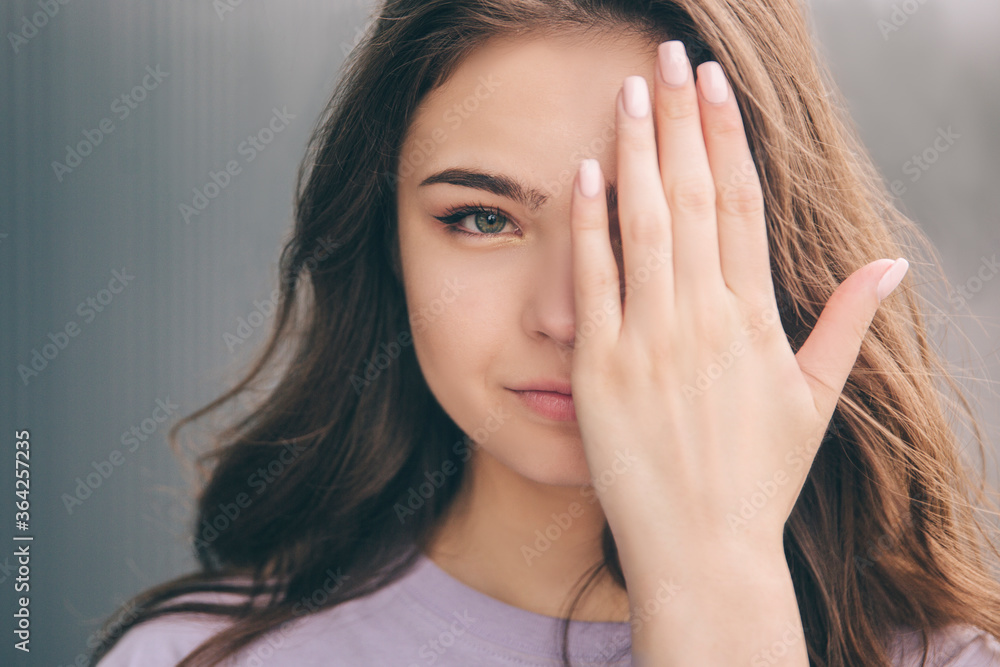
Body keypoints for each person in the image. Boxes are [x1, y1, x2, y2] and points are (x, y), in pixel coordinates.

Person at [92, 0, 1000, 665]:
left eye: (639, 225)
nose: (566, 317)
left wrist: (718, 579)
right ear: (384, 242)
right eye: (483, 218)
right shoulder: (188, 657)